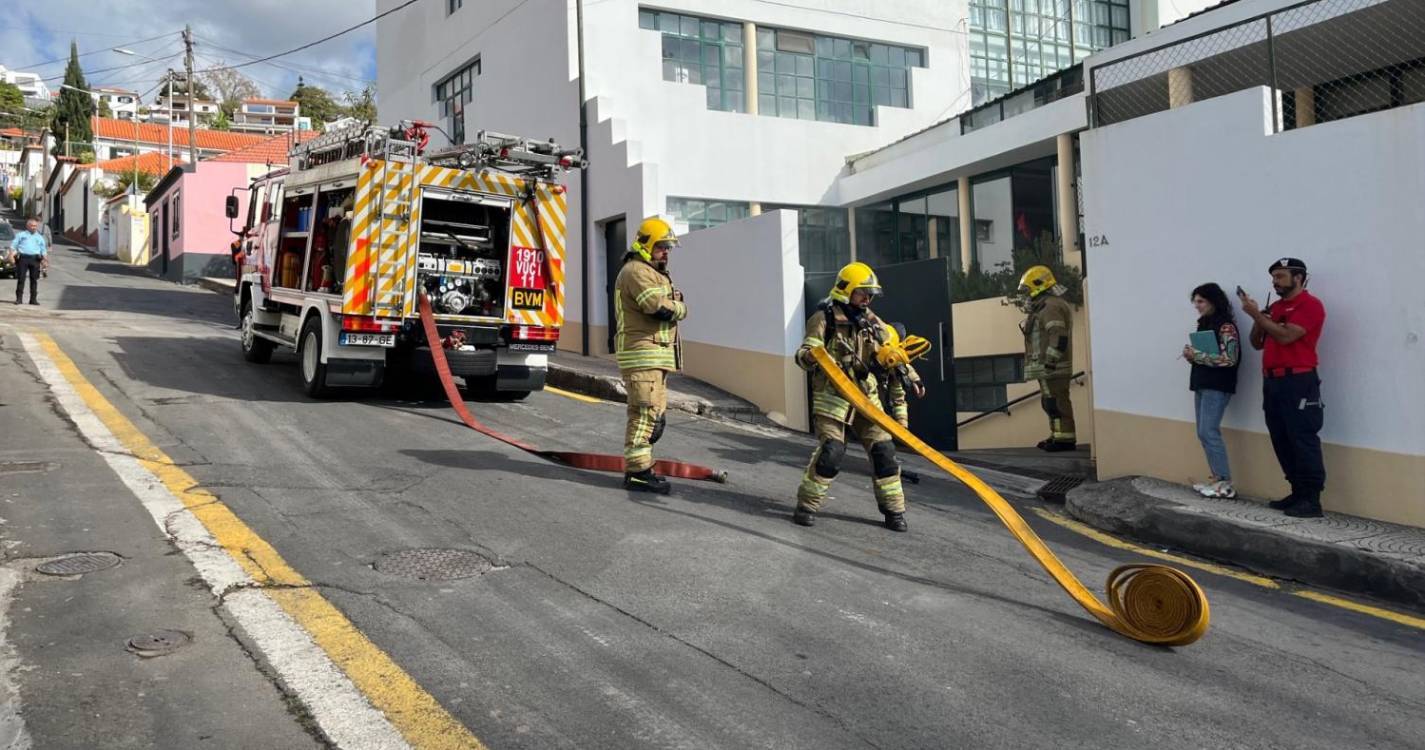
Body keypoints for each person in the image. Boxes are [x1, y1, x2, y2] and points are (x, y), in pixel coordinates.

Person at [792, 262, 910, 532]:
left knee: (885, 452)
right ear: (847, 290)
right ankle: (807, 505)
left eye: (870, 295)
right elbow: (804, 355)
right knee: (832, 452)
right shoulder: (824, 318)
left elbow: (890, 351)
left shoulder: (871, 320)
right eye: (862, 293)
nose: (867, 300)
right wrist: (811, 356)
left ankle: (894, 511)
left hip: (867, 399)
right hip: (833, 399)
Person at [1241, 258, 1327, 518]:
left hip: (1299, 381)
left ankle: (1312, 500)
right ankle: (1297, 491)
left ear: (1298, 277)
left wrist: (1256, 314)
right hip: (1273, 381)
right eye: (1274, 277)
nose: (1275, 282)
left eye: (1280, 276)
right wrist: (1260, 319)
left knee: (1302, 437)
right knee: (1280, 436)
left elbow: (1287, 336)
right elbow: (1257, 343)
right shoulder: (1276, 307)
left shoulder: (1310, 305)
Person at [614, 217, 687, 495]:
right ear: (645, 245)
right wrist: (681, 307)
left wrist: (675, 303)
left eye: (669, 247)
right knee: (644, 415)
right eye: (661, 247)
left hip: (655, 358)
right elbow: (658, 307)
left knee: (654, 418)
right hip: (642, 355)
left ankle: (642, 467)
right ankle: (638, 473)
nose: (666, 252)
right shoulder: (636, 271)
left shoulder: (651, 272)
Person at [1182, 283, 1241, 499]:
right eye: (1195, 301)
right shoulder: (1205, 324)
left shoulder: (1226, 327)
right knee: (1203, 432)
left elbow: (1229, 358)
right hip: (1203, 382)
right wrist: (1192, 354)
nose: (1197, 306)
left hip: (1217, 385)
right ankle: (1217, 479)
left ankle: (1224, 482)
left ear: (1213, 301)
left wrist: (1197, 355)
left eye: (1201, 301)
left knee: (1209, 431)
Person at [1018, 265, 1075, 452]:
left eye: (1027, 291)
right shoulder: (1044, 306)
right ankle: (1057, 435)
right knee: (1050, 402)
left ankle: (1065, 440)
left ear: (1038, 285)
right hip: (1047, 367)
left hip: (1054, 367)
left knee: (1057, 402)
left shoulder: (1051, 306)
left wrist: (1050, 361)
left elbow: (1058, 335)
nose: (1025, 296)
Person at [13, 217, 48, 305]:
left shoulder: (39, 237)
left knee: (34, 280)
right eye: (32, 226)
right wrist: (11, 254)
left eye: (35, 226)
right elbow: (13, 245)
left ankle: (33, 300)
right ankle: (19, 299)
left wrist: (45, 260)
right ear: (27, 226)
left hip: (35, 259)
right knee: (21, 279)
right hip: (23, 259)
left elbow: (43, 250)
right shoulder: (21, 235)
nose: (34, 227)